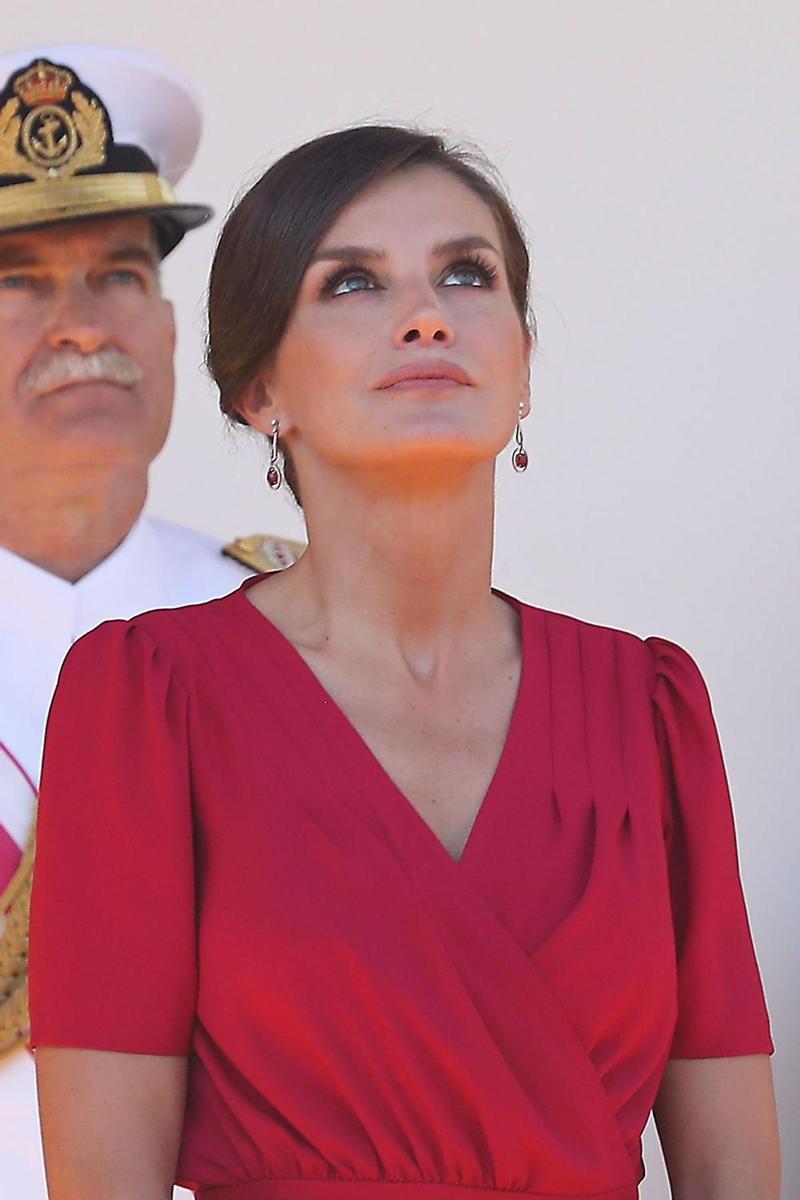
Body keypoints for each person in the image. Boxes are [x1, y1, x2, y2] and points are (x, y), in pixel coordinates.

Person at [28, 124, 780, 1200]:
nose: (426, 315)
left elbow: (734, 1172)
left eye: (465, 275)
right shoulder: (150, 700)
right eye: (351, 285)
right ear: (258, 392)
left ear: (520, 364)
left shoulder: (648, 707)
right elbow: (103, 1180)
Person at [0, 43, 301, 1198]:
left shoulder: (292, 625)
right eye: (21, 280)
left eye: (121, 274)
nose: (85, 325)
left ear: (175, 331)